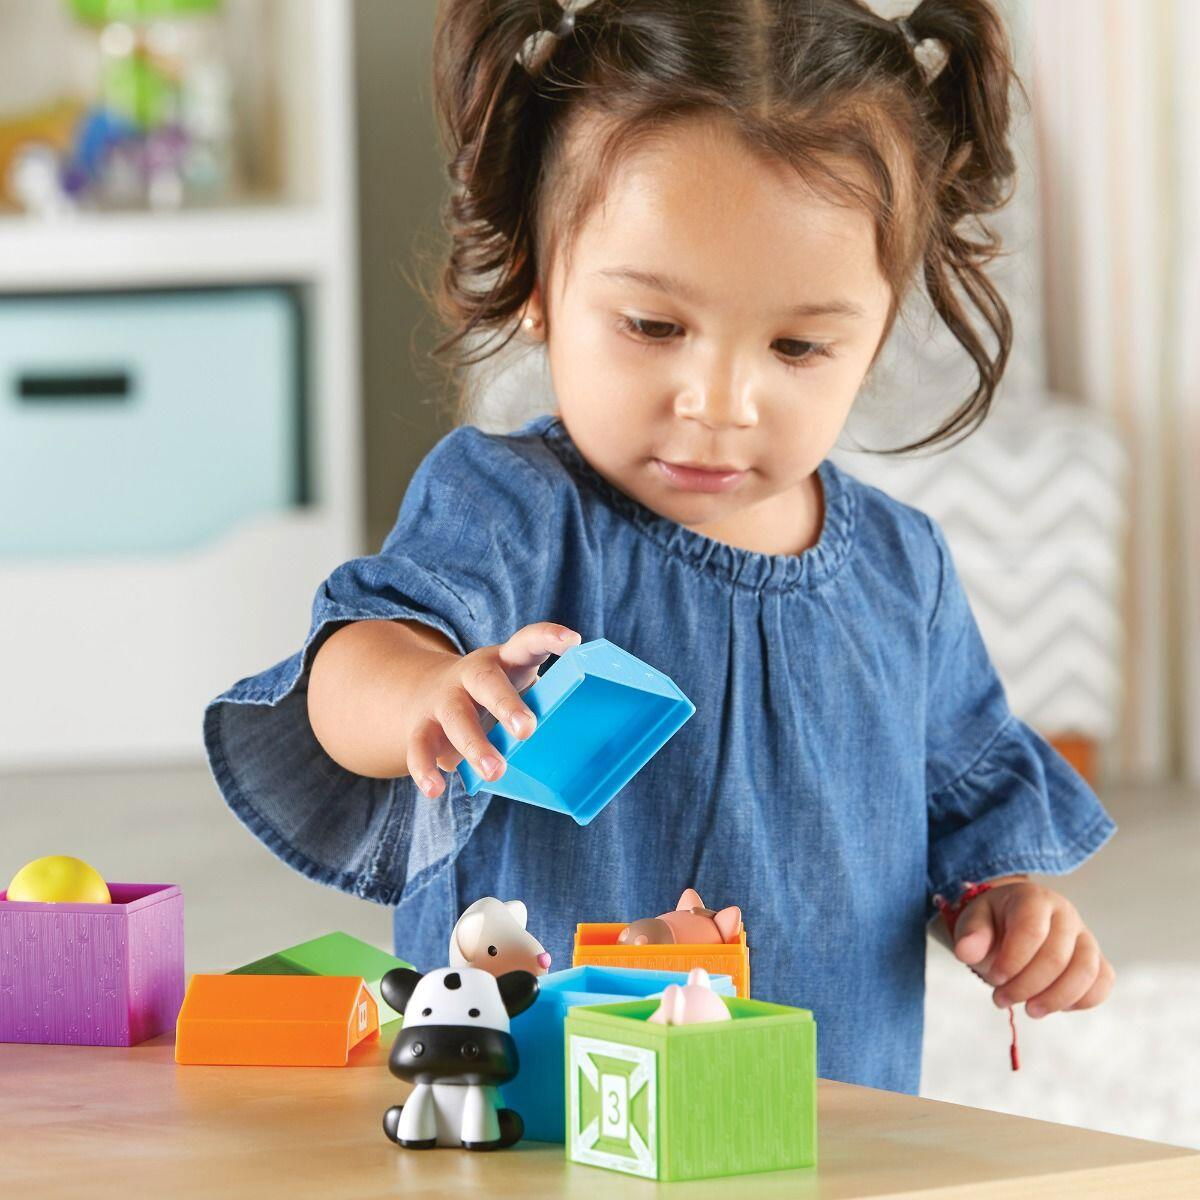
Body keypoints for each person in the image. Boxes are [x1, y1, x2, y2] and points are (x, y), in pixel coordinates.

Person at [204, 0, 1117, 1094]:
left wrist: (1008, 906)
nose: (720, 402)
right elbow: (347, 671)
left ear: (877, 328)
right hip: (540, 1107)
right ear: (538, 283)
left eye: (798, 345)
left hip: (827, 1119)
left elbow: (969, 804)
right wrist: (424, 692)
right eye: (653, 326)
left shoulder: (901, 566)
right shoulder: (509, 505)